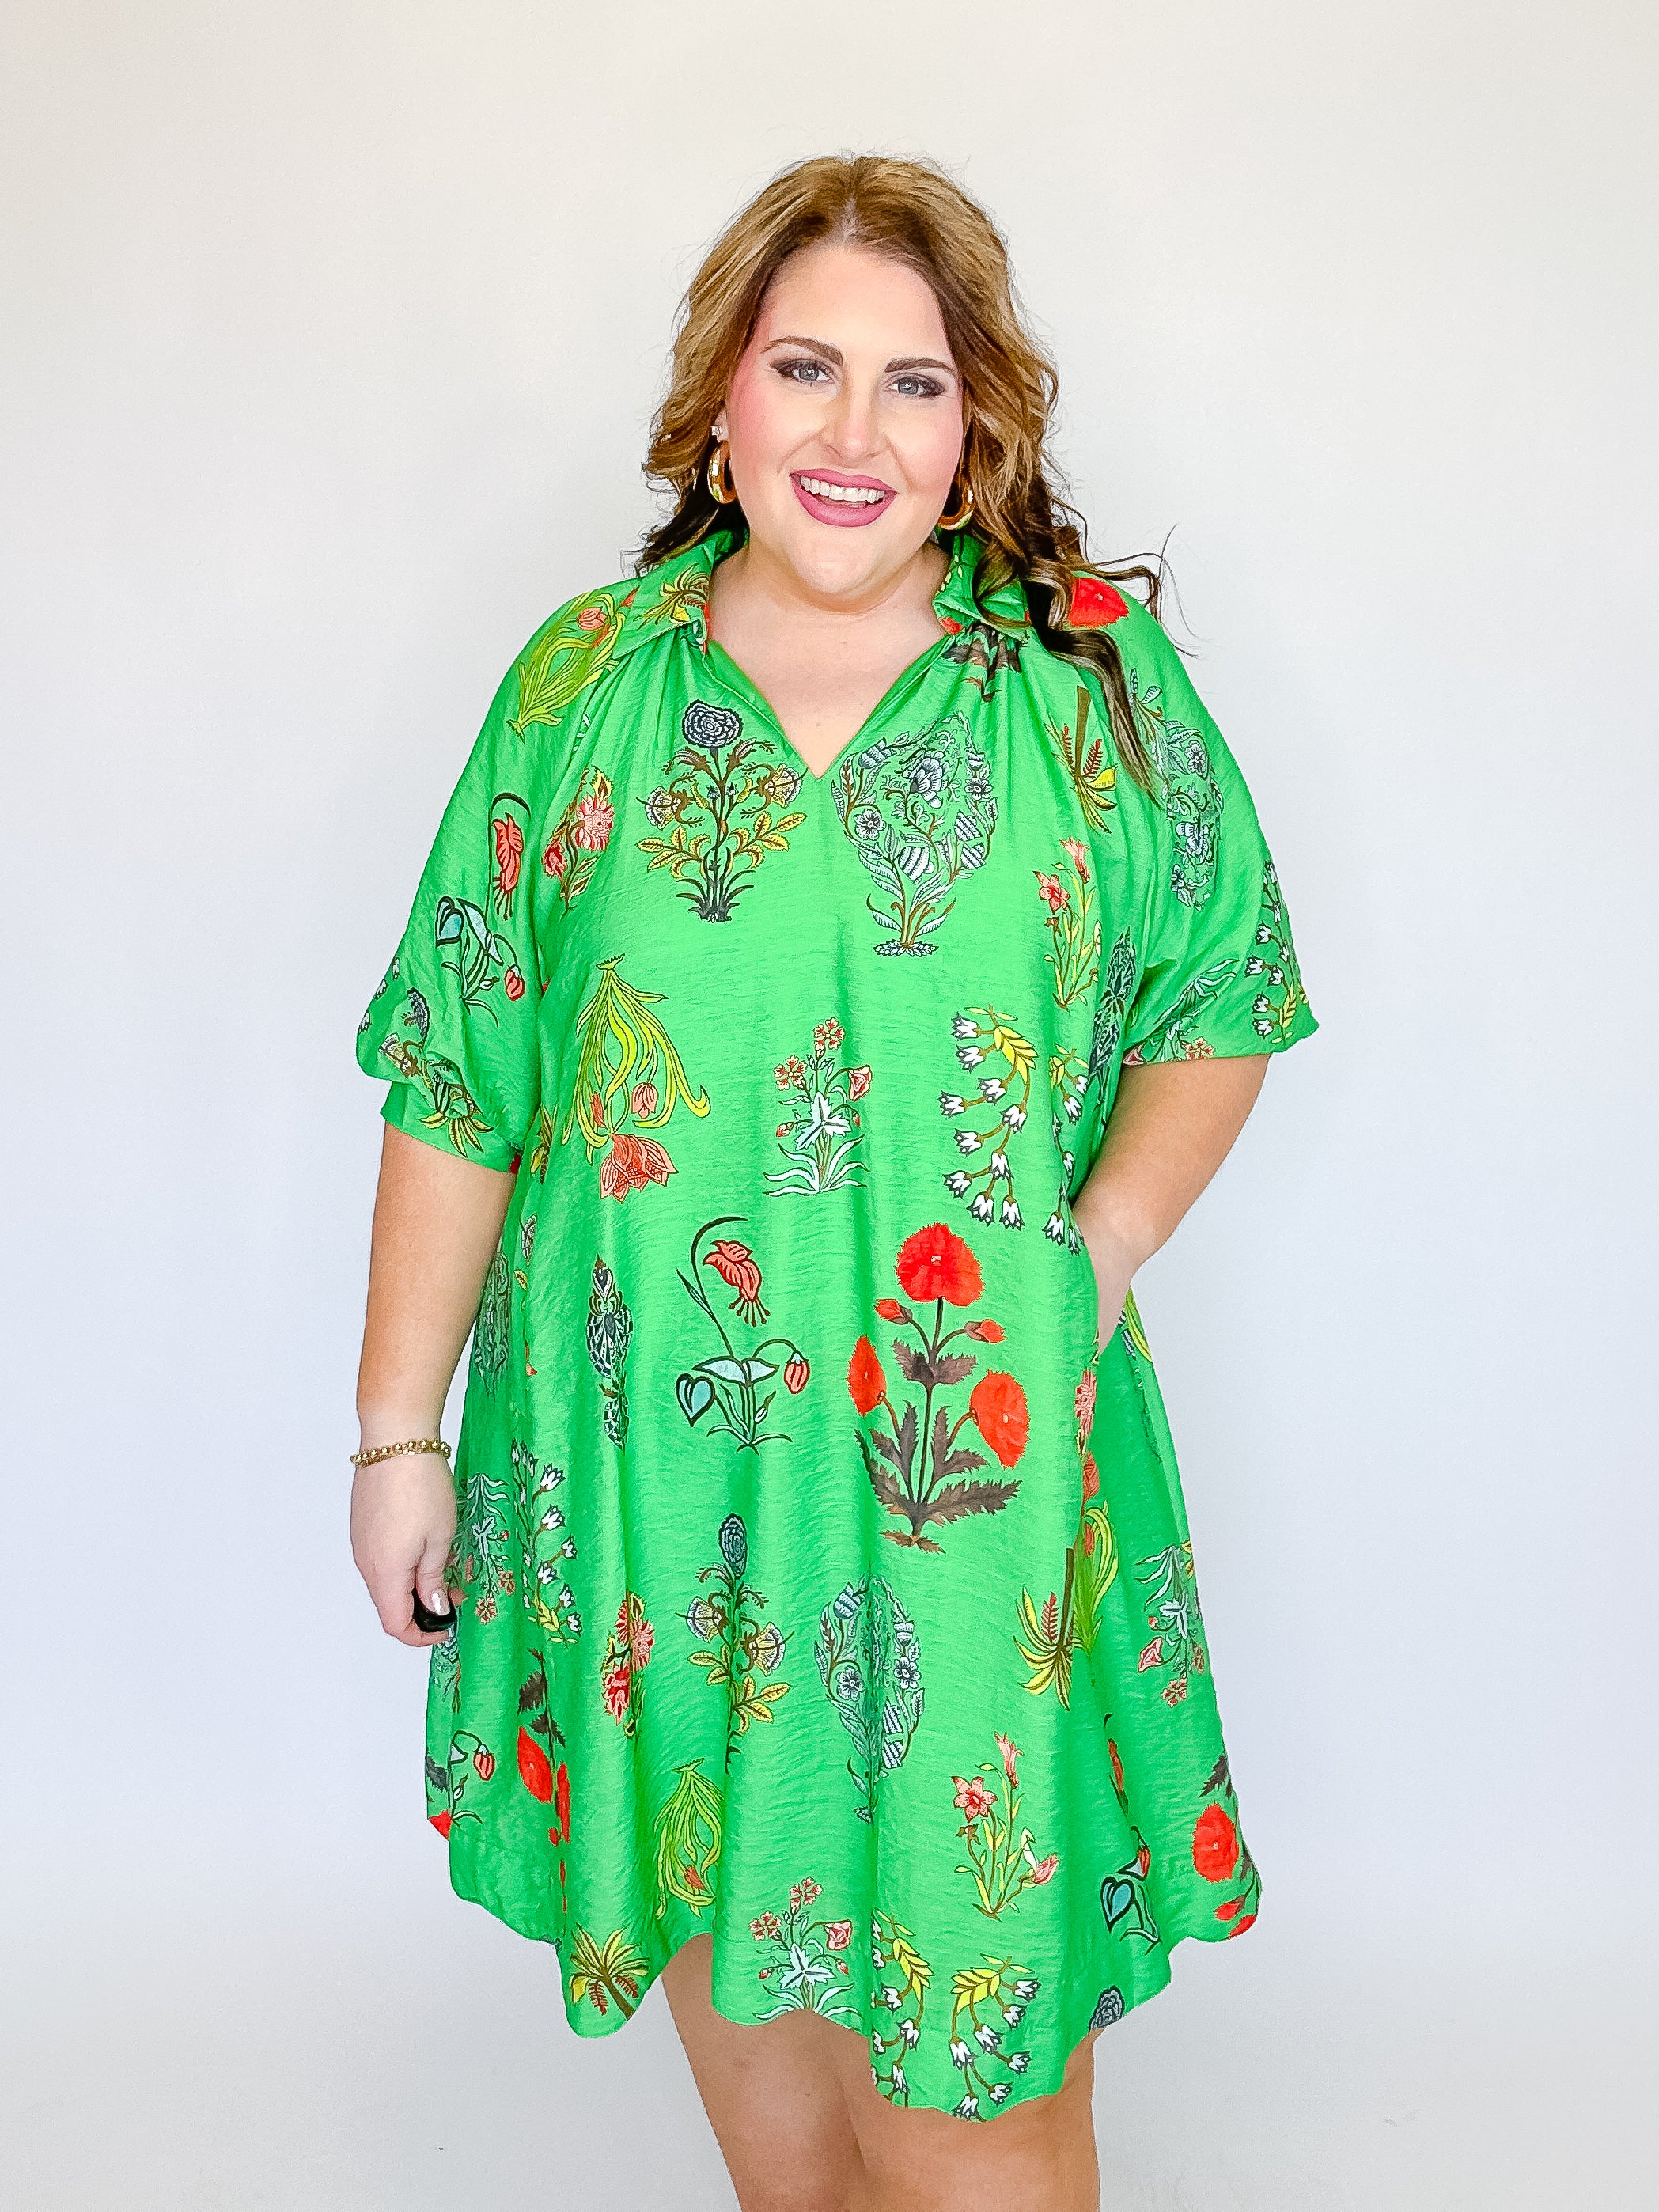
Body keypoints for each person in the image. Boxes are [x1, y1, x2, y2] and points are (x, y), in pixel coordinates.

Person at [349, 152, 1316, 2212]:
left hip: (967, 1487)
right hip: (653, 1487)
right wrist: (394, 1435)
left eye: (913, 380)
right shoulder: (581, 689)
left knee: (979, 2119)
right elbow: (458, 1069)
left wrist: (1102, 1249)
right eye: (806, 367)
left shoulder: (1081, 687)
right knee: (788, 2139)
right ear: (722, 398)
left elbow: (1222, 993)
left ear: (975, 434)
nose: (853, 429)